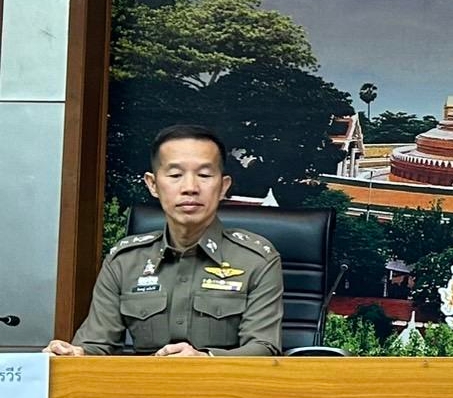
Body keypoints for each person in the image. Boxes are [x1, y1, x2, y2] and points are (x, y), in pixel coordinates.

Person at [44, 124, 283, 357]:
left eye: (204, 175)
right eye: (176, 175)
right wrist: (75, 353)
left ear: (223, 186)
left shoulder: (256, 260)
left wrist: (205, 359)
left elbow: (263, 347)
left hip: (224, 383)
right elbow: (96, 345)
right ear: (153, 184)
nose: (190, 187)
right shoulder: (125, 262)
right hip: (142, 384)